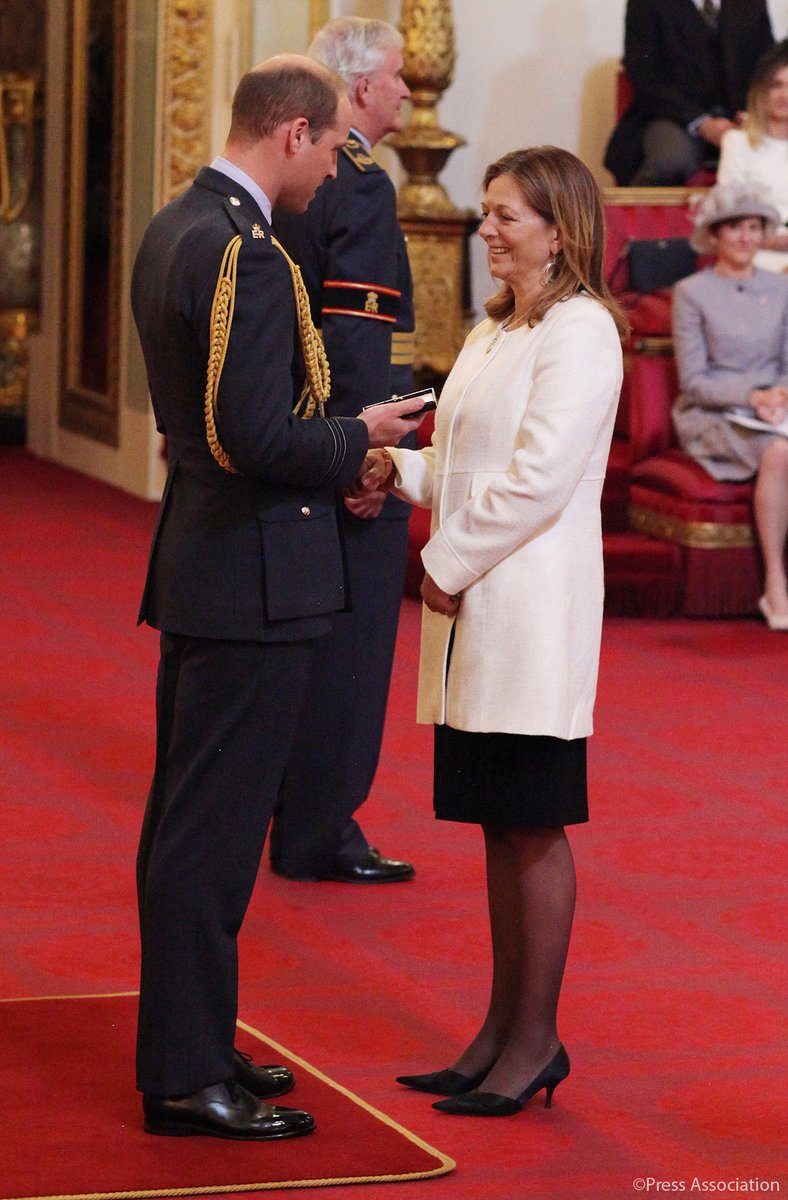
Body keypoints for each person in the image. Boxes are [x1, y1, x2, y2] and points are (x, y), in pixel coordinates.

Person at [131, 55, 425, 1140]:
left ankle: (197, 1045)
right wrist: (360, 435)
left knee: (190, 829)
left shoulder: (180, 223)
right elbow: (249, 436)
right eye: (332, 144)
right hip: (251, 573)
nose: (334, 170)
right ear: (293, 133)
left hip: (211, 562)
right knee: (206, 842)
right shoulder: (243, 252)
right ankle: (183, 1077)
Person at [357, 147, 627, 1116]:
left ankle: (536, 1039)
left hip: (531, 610)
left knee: (531, 820)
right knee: (496, 822)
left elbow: (540, 480)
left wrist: (442, 562)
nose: (487, 230)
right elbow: (465, 466)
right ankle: (497, 1032)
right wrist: (397, 470)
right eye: (486, 212)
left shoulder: (582, 332)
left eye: (505, 215)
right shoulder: (493, 329)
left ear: (559, 229)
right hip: (481, 604)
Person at [270, 17, 417, 884]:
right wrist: (368, 454)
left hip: (296, 434)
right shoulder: (359, 185)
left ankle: (295, 815)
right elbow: (358, 340)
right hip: (349, 444)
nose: (406, 90)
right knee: (351, 653)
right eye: (397, 76)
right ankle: (321, 829)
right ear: (362, 88)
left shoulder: (288, 178)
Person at [673, 182, 788, 629]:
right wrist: (752, 398)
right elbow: (694, 382)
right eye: (735, 227)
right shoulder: (692, 292)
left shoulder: (781, 288)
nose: (745, 237)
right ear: (714, 234)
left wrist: (779, 397)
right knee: (779, 452)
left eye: (754, 227)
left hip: (776, 410)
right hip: (715, 415)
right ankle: (775, 584)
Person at [605, 0, 774, 187]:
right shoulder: (646, 4)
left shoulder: (751, 3)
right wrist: (702, 122)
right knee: (670, 162)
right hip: (672, 117)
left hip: (741, 120)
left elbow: (768, 70)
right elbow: (646, 79)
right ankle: (630, 205)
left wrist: (750, 115)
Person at [718, 41, 788, 273]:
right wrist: (769, 240)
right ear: (761, 91)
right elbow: (729, 211)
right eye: (776, 85)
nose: (784, 95)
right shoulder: (737, 142)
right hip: (757, 253)